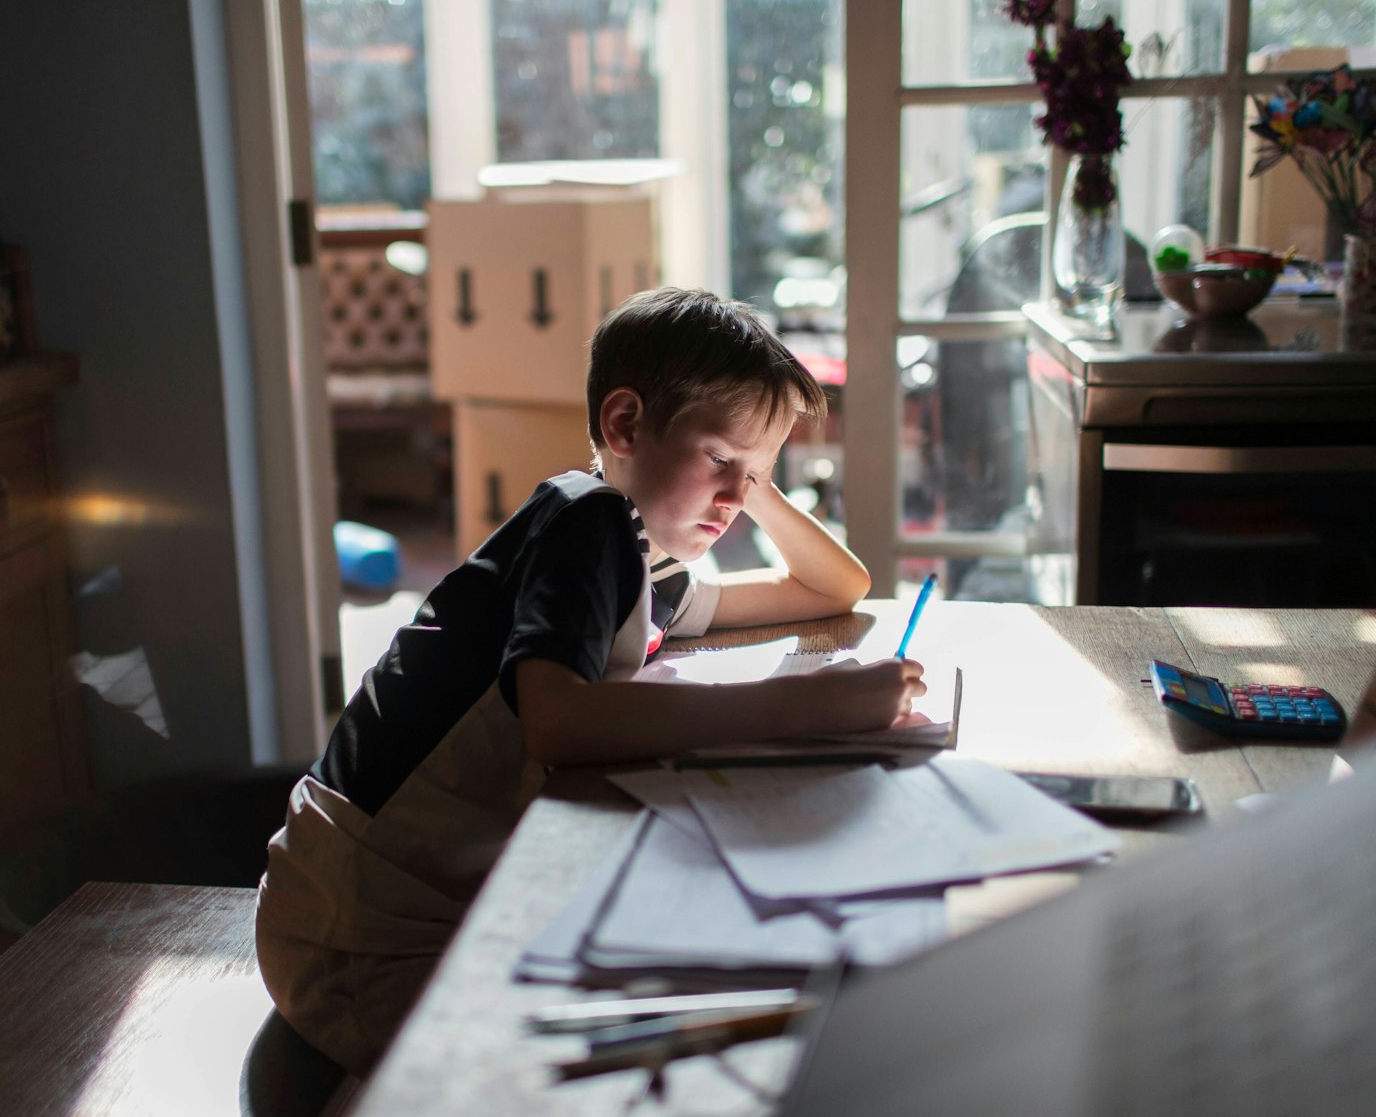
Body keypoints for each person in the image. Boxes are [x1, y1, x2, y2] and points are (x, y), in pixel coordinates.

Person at [255, 287, 926, 1075]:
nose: (736, 498)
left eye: (757, 474)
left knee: (688, 990)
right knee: (634, 1050)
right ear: (624, 424)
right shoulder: (588, 522)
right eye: (719, 460)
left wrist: (751, 473)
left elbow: (833, 587)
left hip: (399, 904)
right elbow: (557, 721)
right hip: (358, 939)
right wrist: (807, 708)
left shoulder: (646, 561)